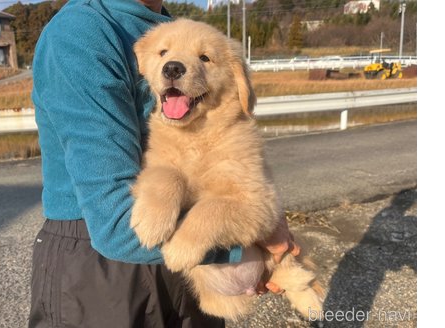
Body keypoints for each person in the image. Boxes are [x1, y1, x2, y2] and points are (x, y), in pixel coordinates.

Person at [29, 0, 299, 327]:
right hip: (103, 266)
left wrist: (248, 215)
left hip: (188, 258)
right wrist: (246, 247)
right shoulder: (83, 33)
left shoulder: (168, 26)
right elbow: (113, 225)